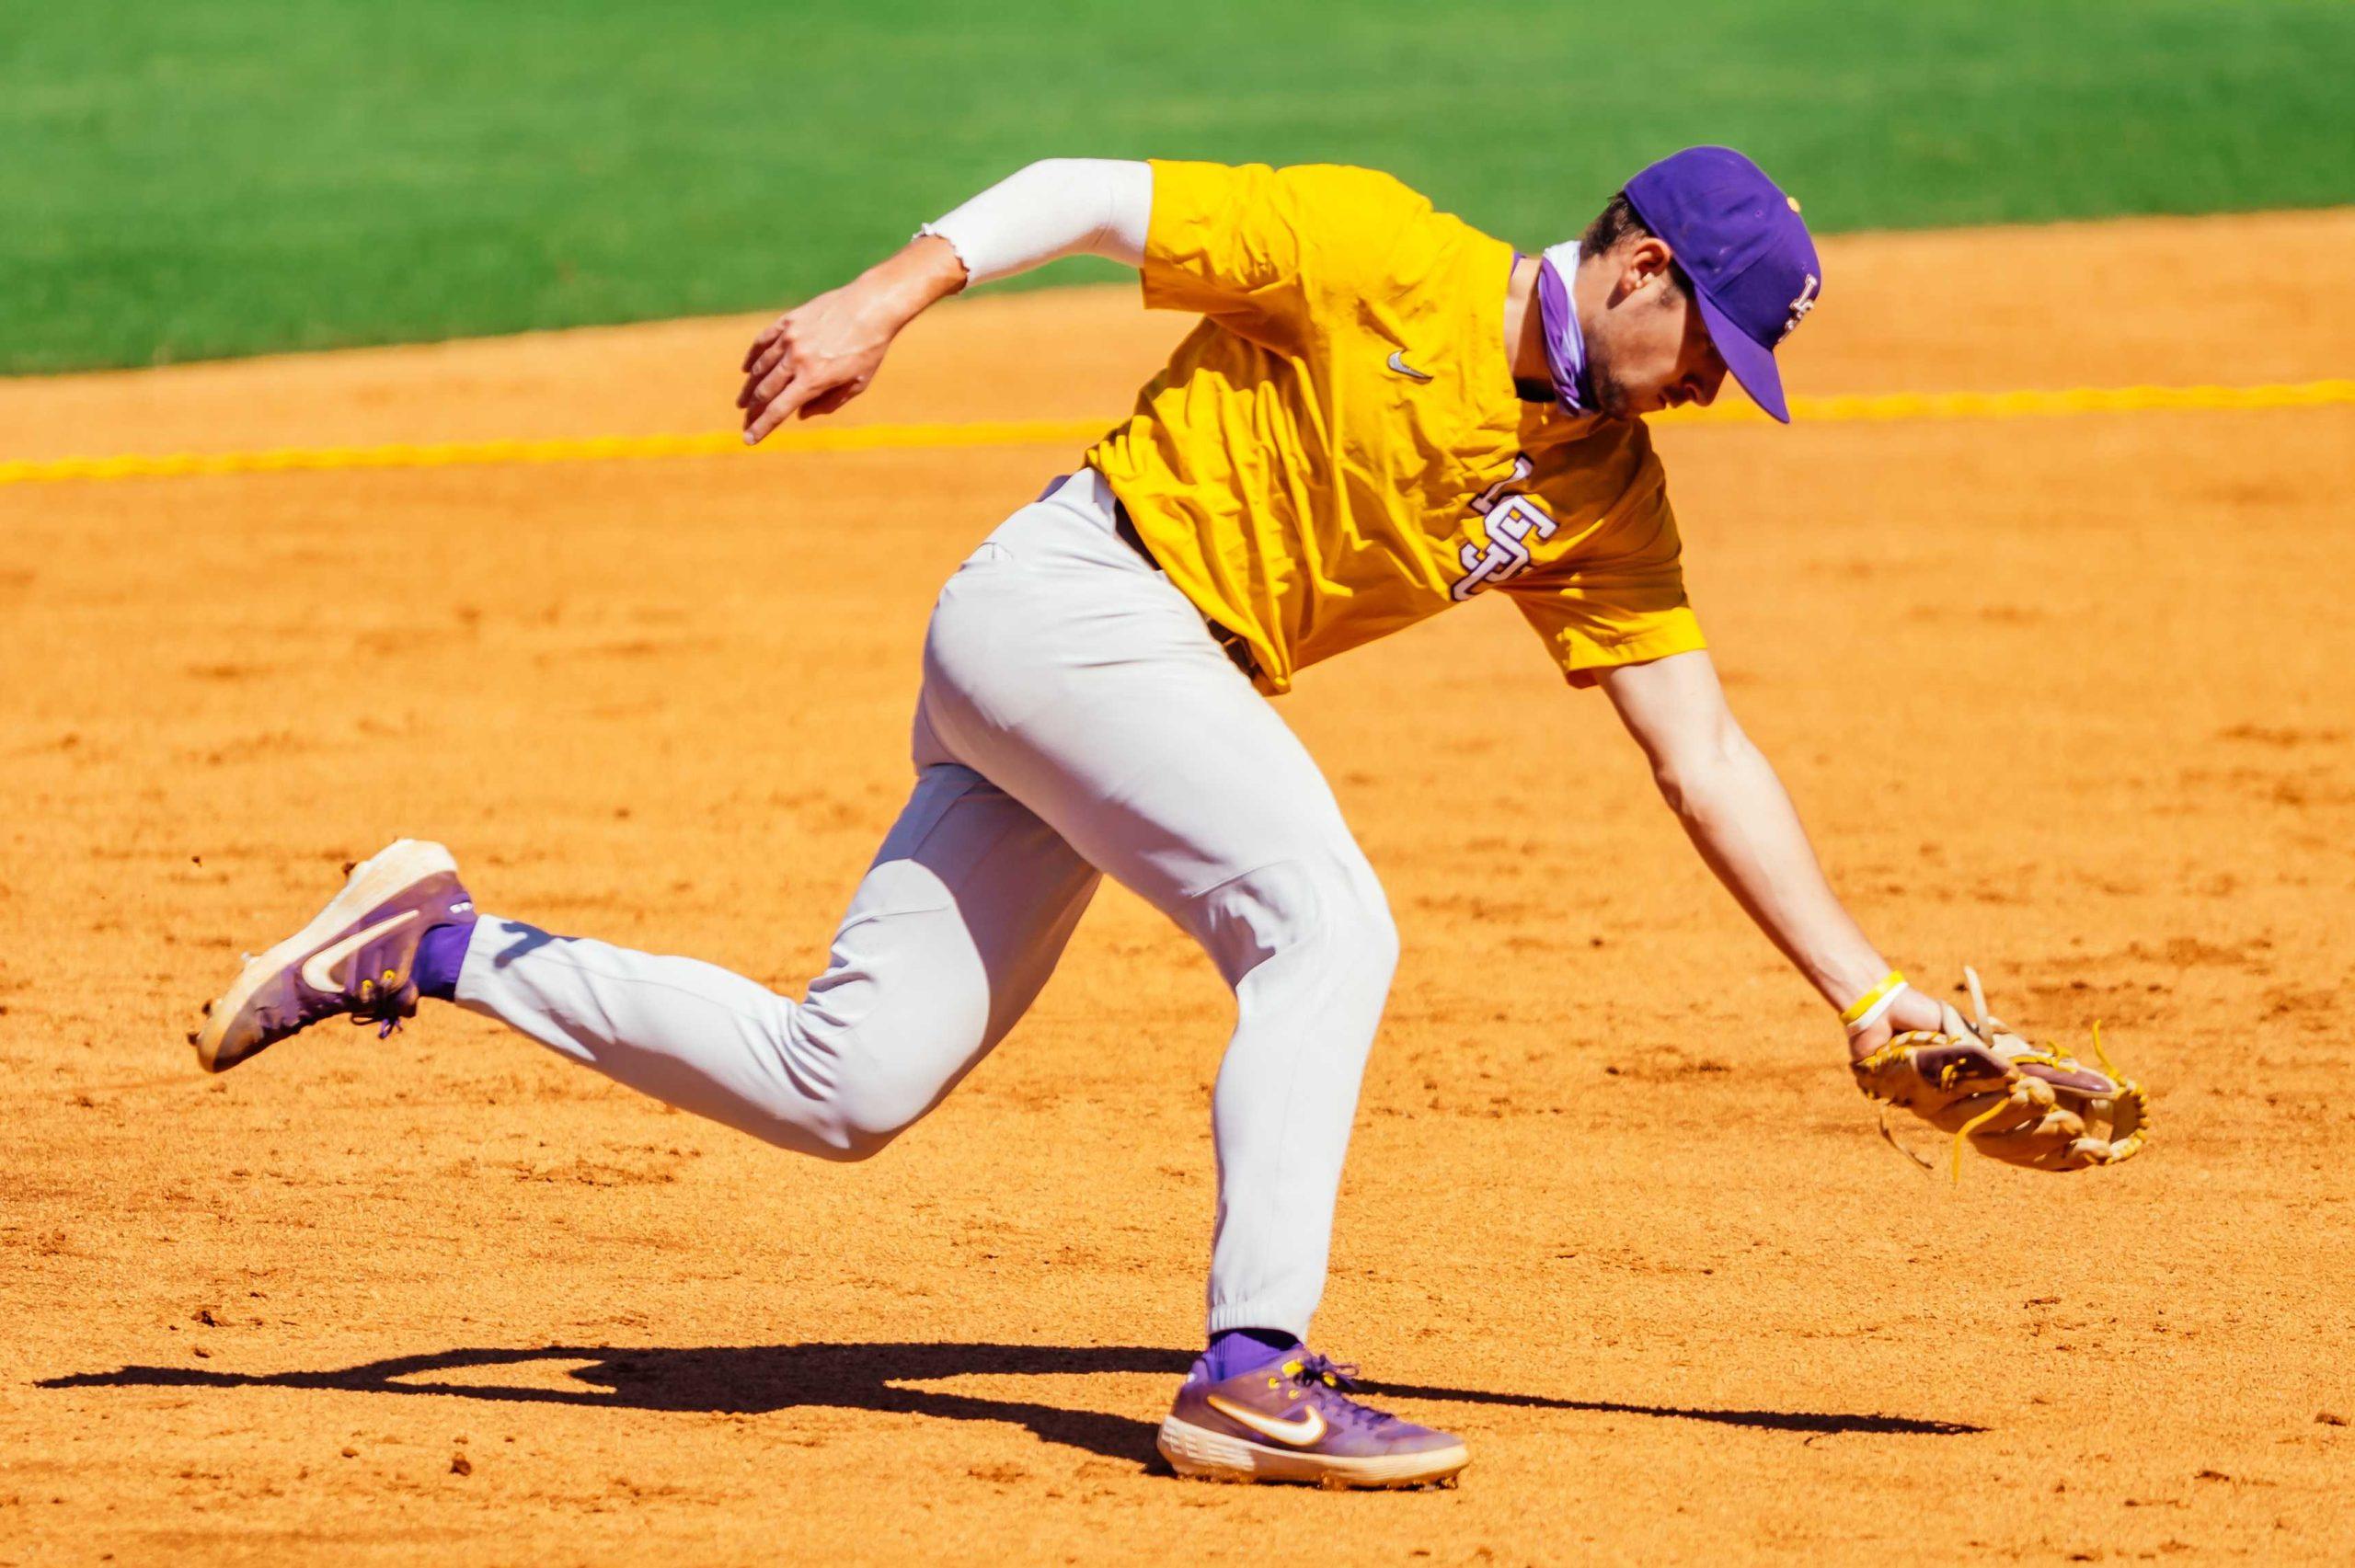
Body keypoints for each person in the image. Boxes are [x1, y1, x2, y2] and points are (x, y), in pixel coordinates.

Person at [195, 148, 1947, 1491]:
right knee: (1326, 925)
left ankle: (432, 937)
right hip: (1075, 608)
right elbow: (1088, 192)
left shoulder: (1605, 493)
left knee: (844, 1085)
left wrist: (1871, 1000)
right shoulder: (1382, 249)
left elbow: (1702, 750)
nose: (1711, 386)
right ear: (1640, 266)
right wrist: (884, 298)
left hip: (1118, 688)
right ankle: (1255, 1371)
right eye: (1706, 344)